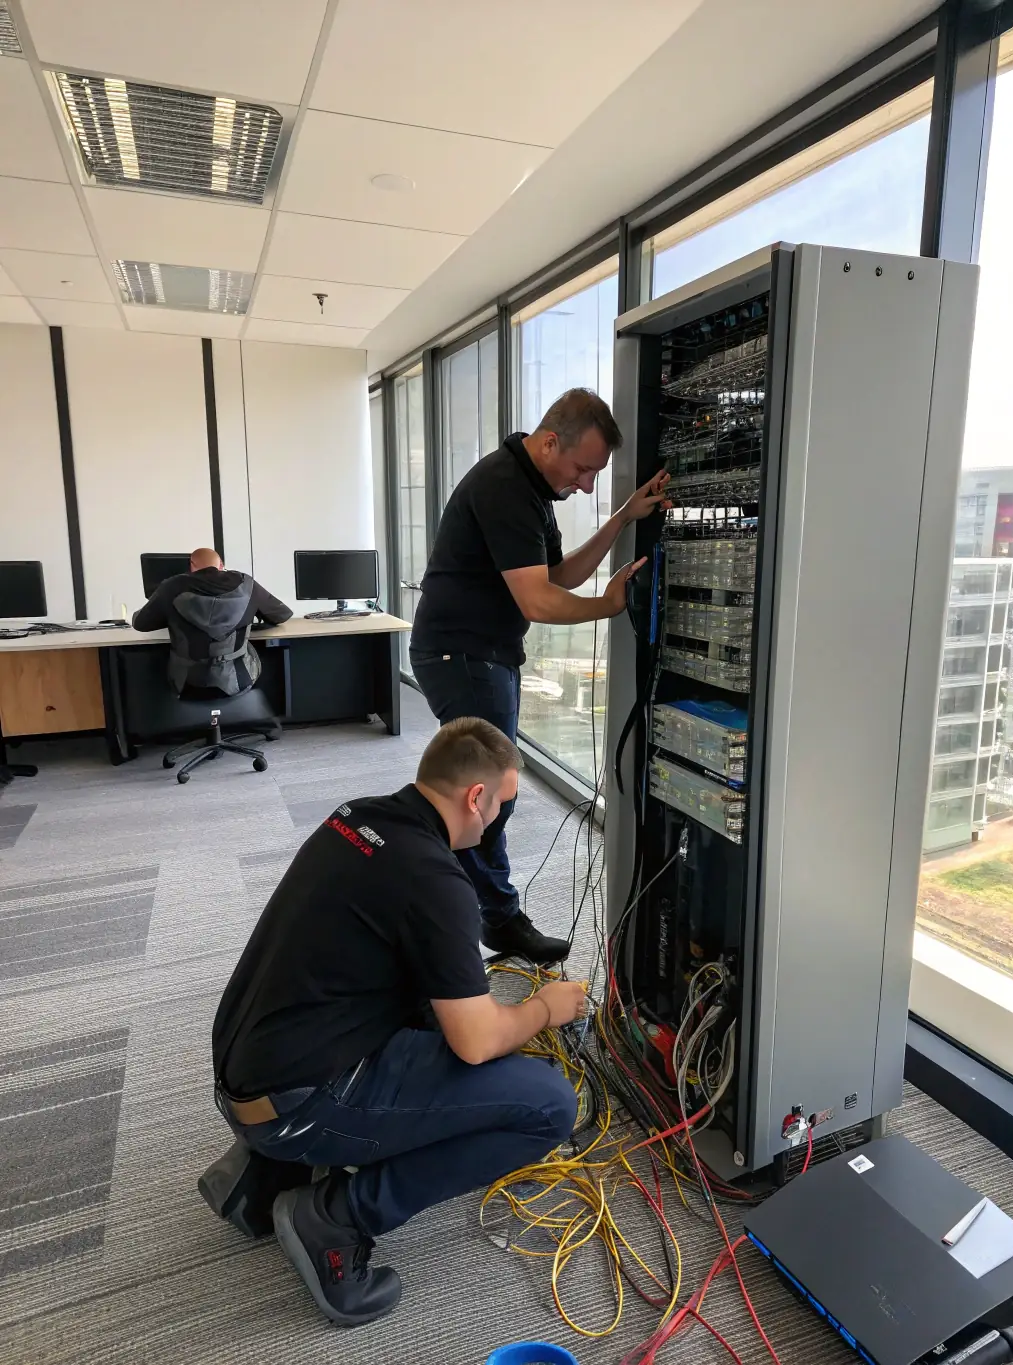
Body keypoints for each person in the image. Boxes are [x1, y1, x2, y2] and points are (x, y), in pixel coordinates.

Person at [206, 717, 586, 1327]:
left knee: (445, 1002)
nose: (497, 824)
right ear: (475, 797)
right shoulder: (436, 882)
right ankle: (337, 1215)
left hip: (248, 1070)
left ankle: (263, 1171)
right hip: (299, 1101)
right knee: (546, 1105)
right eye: (502, 808)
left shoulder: (358, 817)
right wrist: (546, 1009)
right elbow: (478, 1042)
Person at [410, 387, 670, 963]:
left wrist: (623, 517)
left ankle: (462, 908)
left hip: (480, 655)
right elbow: (538, 602)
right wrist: (608, 607)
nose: (586, 485)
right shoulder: (504, 487)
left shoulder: (531, 488)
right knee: (485, 797)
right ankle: (491, 920)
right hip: (462, 656)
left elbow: (561, 576)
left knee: (479, 793)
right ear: (550, 441)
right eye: (583, 469)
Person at [132, 547, 292, 697]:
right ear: (221, 565)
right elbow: (282, 614)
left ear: (191, 566)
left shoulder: (171, 586)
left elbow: (141, 624)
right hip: (239, 679)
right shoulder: (246, 584)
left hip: (186, 682)